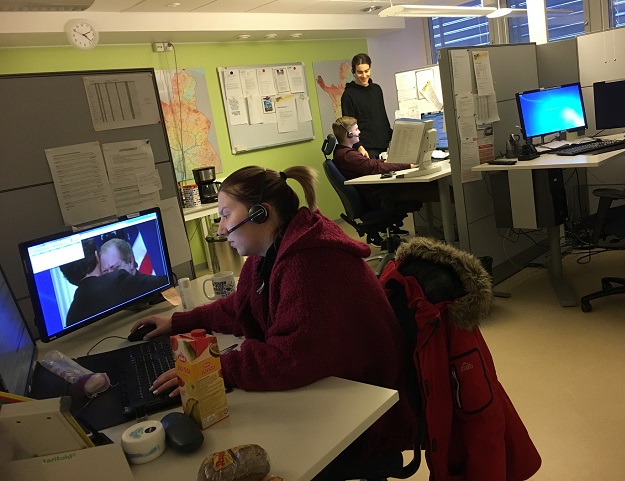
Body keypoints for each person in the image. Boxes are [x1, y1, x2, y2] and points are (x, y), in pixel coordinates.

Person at [133, 165, 416, 463]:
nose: (220, 229)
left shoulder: (310, 264)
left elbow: (290, 359)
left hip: (364, 413)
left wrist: (212, 368)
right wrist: (178, 321)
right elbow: (241, 307)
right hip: (332, 389)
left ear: (260, 214)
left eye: (226, 215)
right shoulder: (270, 252)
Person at [60, 239, 168, 326]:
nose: (110, 274)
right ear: (97, 256)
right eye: (105, 271)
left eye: (115, 268)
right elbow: (166, 282)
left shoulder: (71, 317)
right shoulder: (116, 280)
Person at [332, 115, 415, 207]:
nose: (359, 132)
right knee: (420, 189)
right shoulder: (347, 156)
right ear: (348, 134)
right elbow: (374, 167)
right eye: (356, 129)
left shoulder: (343, 153)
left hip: (372, 194)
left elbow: (371, 164)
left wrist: (389, 161)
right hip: (376, 197)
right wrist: (407, 165)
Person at [341, 53, 393, 159]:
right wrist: (359, 146)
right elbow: (348, 126)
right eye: (360, 72)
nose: (364, 75)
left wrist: (393, 137)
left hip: (384, 145)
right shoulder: (348, 95)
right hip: (366, 149)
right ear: (354, 72)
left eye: (366, 71)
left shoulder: (376, 89)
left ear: (370, 69)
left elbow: (383, 118)